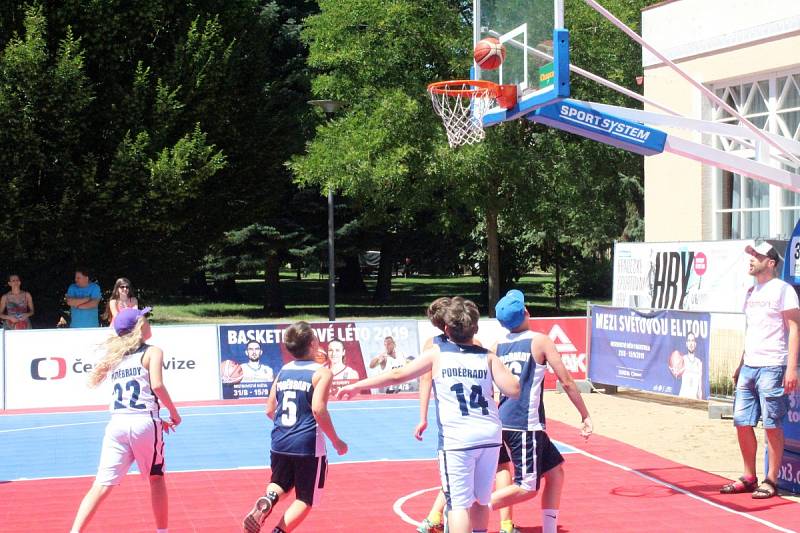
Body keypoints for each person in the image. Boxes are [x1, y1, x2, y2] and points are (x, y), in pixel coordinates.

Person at [338, 297, 520, 533]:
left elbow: (397, 376)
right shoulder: (488, 356)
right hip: (489, 434)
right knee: (481, 500)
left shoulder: (437, 354)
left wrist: (356, 386)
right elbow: (514, 389)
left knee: (457, 505)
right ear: (475, 328)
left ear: (446, 328)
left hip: (458, 439)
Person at [70, 307, 181, 533]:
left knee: (101, 484)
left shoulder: (115, 358)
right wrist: (174, 414)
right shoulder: (152, 352)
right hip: (143, 422)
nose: (148, 321)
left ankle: (75, 531)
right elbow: (157, 386)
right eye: (144, 318)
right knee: (156, 478)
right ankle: (162, 531)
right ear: (138, 328)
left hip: (117, 424)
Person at [490, 290, 593, 533]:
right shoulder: (540, 340)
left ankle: (549, 529)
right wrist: (584, 414)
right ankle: (471, 507)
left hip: (506, 420)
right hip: (524, 424)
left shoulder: (497, 346)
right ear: (526, 312)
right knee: (527, 487)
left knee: (555, 472)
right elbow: (566, 381)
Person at [243, 321, 348, 533]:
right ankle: (278, 531)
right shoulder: (322, 373)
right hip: (307, 445)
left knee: (280, 482)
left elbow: (269, 409)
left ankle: (268, 500)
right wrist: (336, 441)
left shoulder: (284, 370)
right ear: (312, 343)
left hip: (280, 440)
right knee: (305, 498)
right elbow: (319, 409)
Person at [720, 242, 799, 499]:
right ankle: (749, 476)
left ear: (771, 262)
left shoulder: (783, 290)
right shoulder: (751, 291)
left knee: (772, 424)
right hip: (750, 367)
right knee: (741, 422)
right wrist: (742, 363)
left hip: (773, 366)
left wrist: (791, 369)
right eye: (751, 255)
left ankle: (771, 480)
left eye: (757, 255)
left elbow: (794, 329)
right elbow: (751, 330)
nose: (751, 259)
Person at [678, 333, 703, 399]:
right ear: (686, 344)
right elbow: (676, 374)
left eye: (692, 340)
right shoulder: (682, 359)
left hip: (694, 399)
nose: (691, 343)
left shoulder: (699, 362)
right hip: (682, 397)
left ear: (695, 344)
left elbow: (700, 385)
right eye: (689, 341)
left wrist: (700, 398)